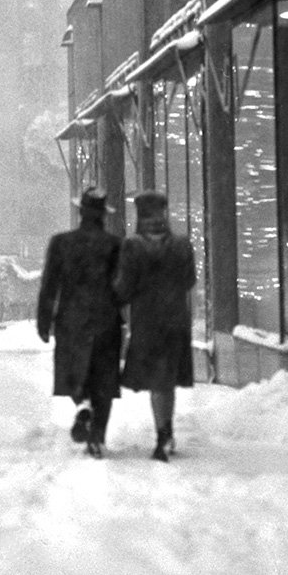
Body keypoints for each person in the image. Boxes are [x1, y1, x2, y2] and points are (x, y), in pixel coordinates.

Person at [35, 187, 123, 457]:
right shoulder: (114, 245)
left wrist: (44, 319)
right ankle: (97, 436)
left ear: (80, 212)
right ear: (103, 216)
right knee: (104, 380)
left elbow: (50, 284)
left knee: (76, 373)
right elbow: (122, 286)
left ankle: (82, 403)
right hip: (106, 321)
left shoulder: (61, 243)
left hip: (71, 321)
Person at [114, 190, 197, 462]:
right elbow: (188, 281)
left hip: (148, 323)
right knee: (167, 381)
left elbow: (124, 289)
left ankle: (163, 436)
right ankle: (167, 432)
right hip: (175, 321)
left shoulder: (133, 247)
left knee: (157, 382)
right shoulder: (182, 245)